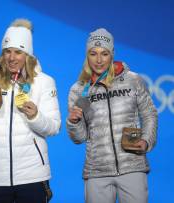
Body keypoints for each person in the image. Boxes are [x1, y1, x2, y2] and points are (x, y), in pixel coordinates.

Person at [0, 19, 61, 203]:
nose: (12, 58)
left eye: (18, 52)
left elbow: (54, 127)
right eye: (7, 51)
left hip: (32, 175)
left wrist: (35, 116)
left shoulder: (44, 82)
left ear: (27, 54)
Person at [66, 28, 157, 203]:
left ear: (112, 53)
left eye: (104, 53)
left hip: (132, 167)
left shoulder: (133, 80)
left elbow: (149, 114)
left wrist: (146, 140)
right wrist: (74, 122)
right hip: (97, 171)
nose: (99, 60)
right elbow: (80, 138)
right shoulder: (78, 89)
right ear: (87, 55)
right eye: (93, 53)